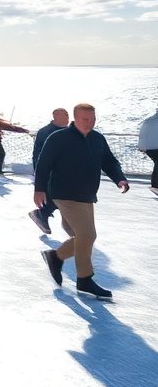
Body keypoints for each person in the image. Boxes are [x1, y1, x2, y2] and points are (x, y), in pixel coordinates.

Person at [34, 104, 129, 300]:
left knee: (83, 237)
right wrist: (39, 189)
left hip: (87, 195)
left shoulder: (97, 138)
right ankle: (84, 279)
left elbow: (109, 161)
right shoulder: (58, 138)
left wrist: (119, 178)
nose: (89, 123)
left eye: (92, 119)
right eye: (85, 119)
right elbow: (43, 164)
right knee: (87, 235)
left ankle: (55, 257)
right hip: (64, 194)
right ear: (75, 118)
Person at [28, 108, 70, 234]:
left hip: (66, 172)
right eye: (64, 115)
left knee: (65, 197)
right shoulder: (45, 132)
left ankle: (43, 214)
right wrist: (40, 173)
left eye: (68, 115)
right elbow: (39, 155)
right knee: (59, 197)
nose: (67, 117)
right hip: (51, 172)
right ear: (55, 116)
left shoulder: (68, 131)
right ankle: (42, 214)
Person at [137, 107, 158, 195]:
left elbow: (142, 135)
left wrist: (141, 146)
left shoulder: (149, 120)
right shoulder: (152, 120)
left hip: (148, 148)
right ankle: (155, 185)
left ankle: (155, 185)